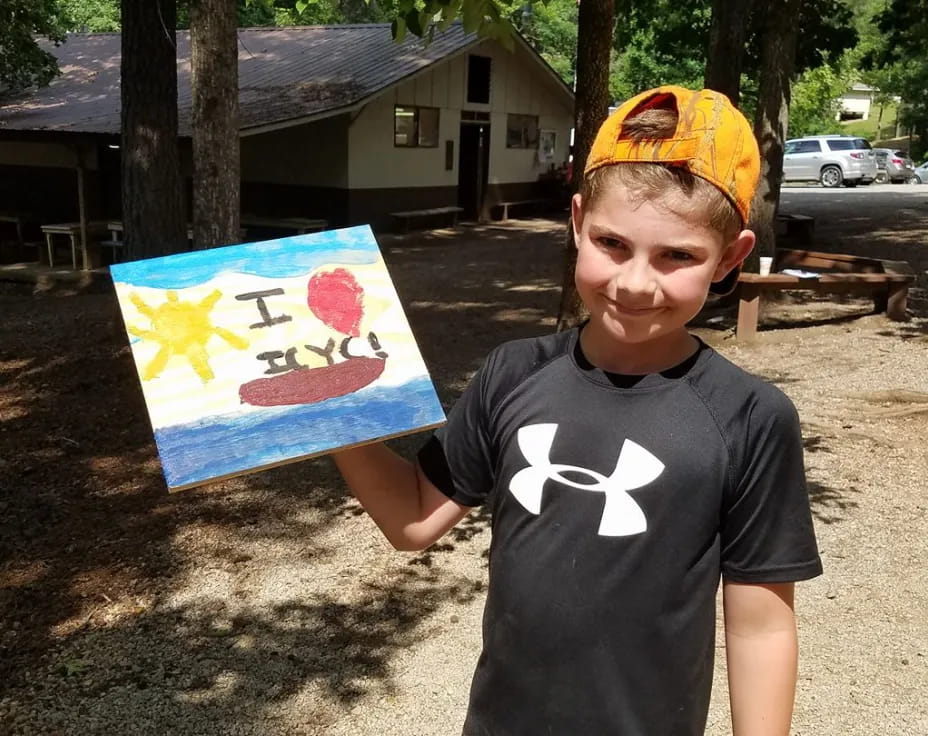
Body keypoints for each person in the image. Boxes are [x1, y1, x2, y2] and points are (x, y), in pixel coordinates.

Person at [333, 85, 823, 735]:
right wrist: (327, 416)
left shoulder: (751, 418)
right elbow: (413, 520)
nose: (634, 283)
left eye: (677, 255)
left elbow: (761, 626)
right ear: (576, 221)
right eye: (611, 243)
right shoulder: (512, 373)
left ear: (730, 257)